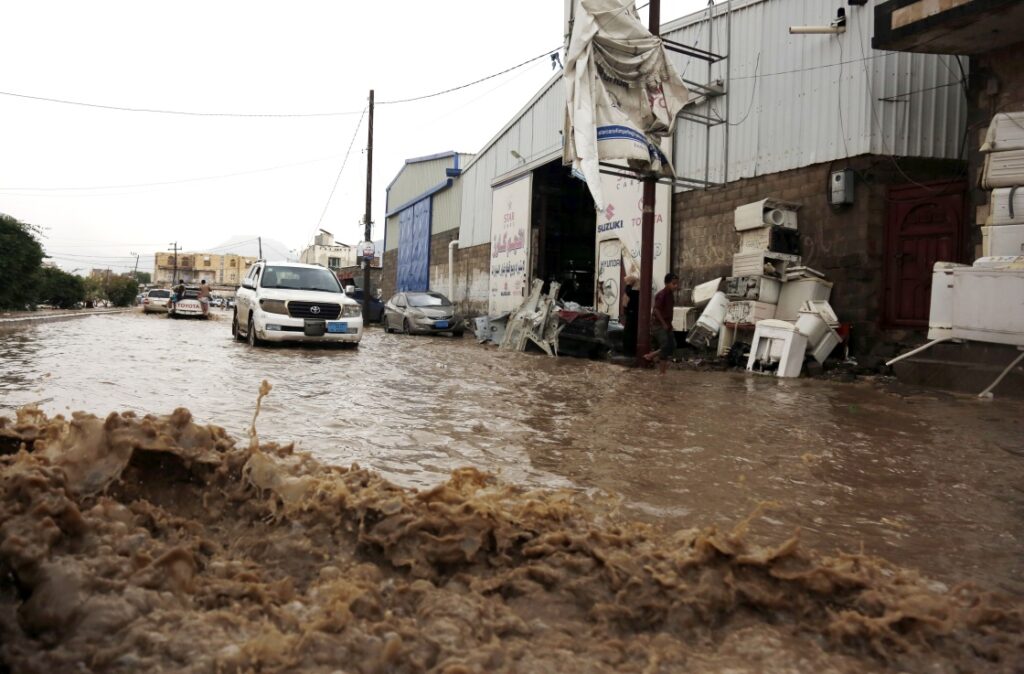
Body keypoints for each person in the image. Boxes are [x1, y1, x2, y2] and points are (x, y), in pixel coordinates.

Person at [643, 272, 680, 374]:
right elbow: (656, 310)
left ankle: (660, 370)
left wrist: (669, 324)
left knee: (672, 345)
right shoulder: (661, 294)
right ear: (666, 283)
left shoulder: (670, 295)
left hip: (667, 324)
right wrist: (664, 324)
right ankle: (654, 360)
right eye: (673, 284)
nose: (676, 286)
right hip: (659, 325)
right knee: (665, 346)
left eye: (677, 284)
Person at [621, 274, 640, 357]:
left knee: (629, 334)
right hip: (633, 315)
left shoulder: (633, 292)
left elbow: (627, 294)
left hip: (632, 315)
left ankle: (629, 352)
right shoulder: (635, 292)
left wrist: (629, 284)